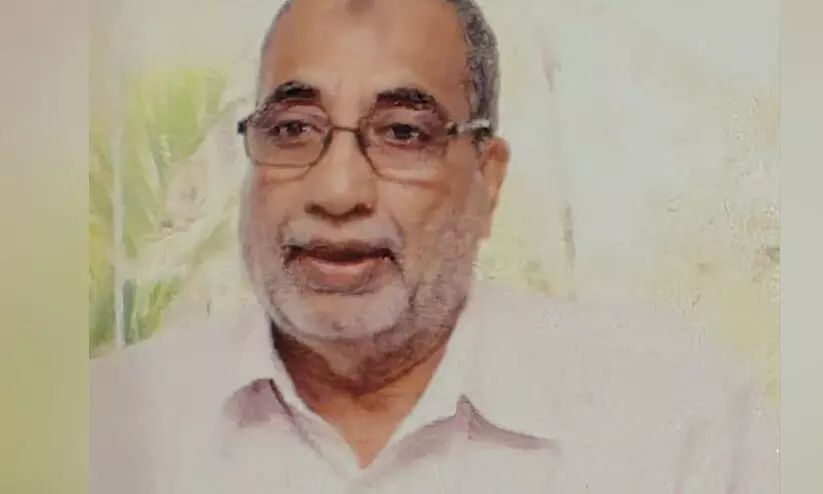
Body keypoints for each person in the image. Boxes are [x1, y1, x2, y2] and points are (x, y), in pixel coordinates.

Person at [90, 0, 778, 492]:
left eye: (402, 133)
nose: (337, 191)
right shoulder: (109, 424)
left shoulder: (675, 416)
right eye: (294, 128)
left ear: (487, 179)